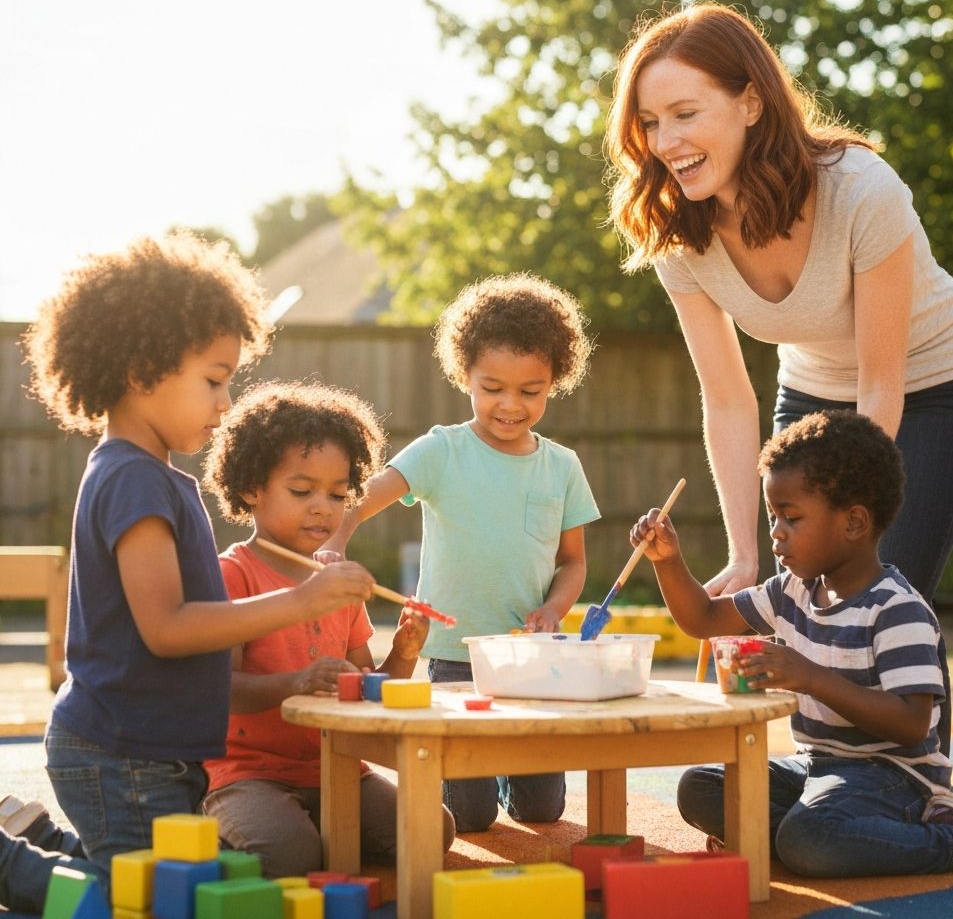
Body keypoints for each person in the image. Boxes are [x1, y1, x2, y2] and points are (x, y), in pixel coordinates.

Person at [604, 1, 953, 755]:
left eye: (685, 113)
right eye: (650, 123)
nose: (666, 142)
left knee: (880, 587)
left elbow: (881, 385)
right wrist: (744, 553)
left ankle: (925, 791)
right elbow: (727, 398)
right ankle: (830, 774)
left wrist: (850, 531)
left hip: (935, 387)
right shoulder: (678, 232)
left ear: (751, 102)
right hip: (815, 391)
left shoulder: (862, 190)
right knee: (801, 592)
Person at [1, 233, 377, 912]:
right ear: (142, 370)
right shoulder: (133, 479)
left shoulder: (156, 477)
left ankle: (39, 839)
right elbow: (167, 628)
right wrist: (304, 601)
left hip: (158, 752)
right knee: (141, 902)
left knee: (171, 884)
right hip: (119, 752)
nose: (226, 401)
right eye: (213, 379)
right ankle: (8, 865)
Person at [632, 410, 953, 876]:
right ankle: (792, 839)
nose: (775, 531)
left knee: (812, 837)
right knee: (700, 786)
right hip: (815, 766)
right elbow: (703, 619)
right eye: (773, 515)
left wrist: (809, 677)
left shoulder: (896, 609)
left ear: (854, 523)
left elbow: (912, 725)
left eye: (791, 517)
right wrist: (668, 561)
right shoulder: (790, 591)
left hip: (895, 777)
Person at [325, 273, 601, 832]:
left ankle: (502, 774)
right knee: (468, 818)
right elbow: (360, 500)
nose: (510, 405)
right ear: (464, 374)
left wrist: (554, 610)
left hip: (529, 658)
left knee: (542, 811)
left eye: (531, 391)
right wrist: (335, 542)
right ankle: (461, 778)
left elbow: (573, 562)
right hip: (454, 656)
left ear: (555, 382)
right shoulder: (441, 450)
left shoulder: (563, 465)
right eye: (492, 387)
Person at [200, 379, 456, 877]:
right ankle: (216, 821)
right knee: (289, 855)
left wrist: (403, 652)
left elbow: (368, 692)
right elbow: (220, 692)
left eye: (338, 494)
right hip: (247, 772)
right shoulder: (232, 575)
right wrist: (296, 682)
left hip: (335, 768)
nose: (323, 506)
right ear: (251, 488)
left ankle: (312, 830)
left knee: (433, 828)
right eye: (302, 491)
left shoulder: (338, 582)